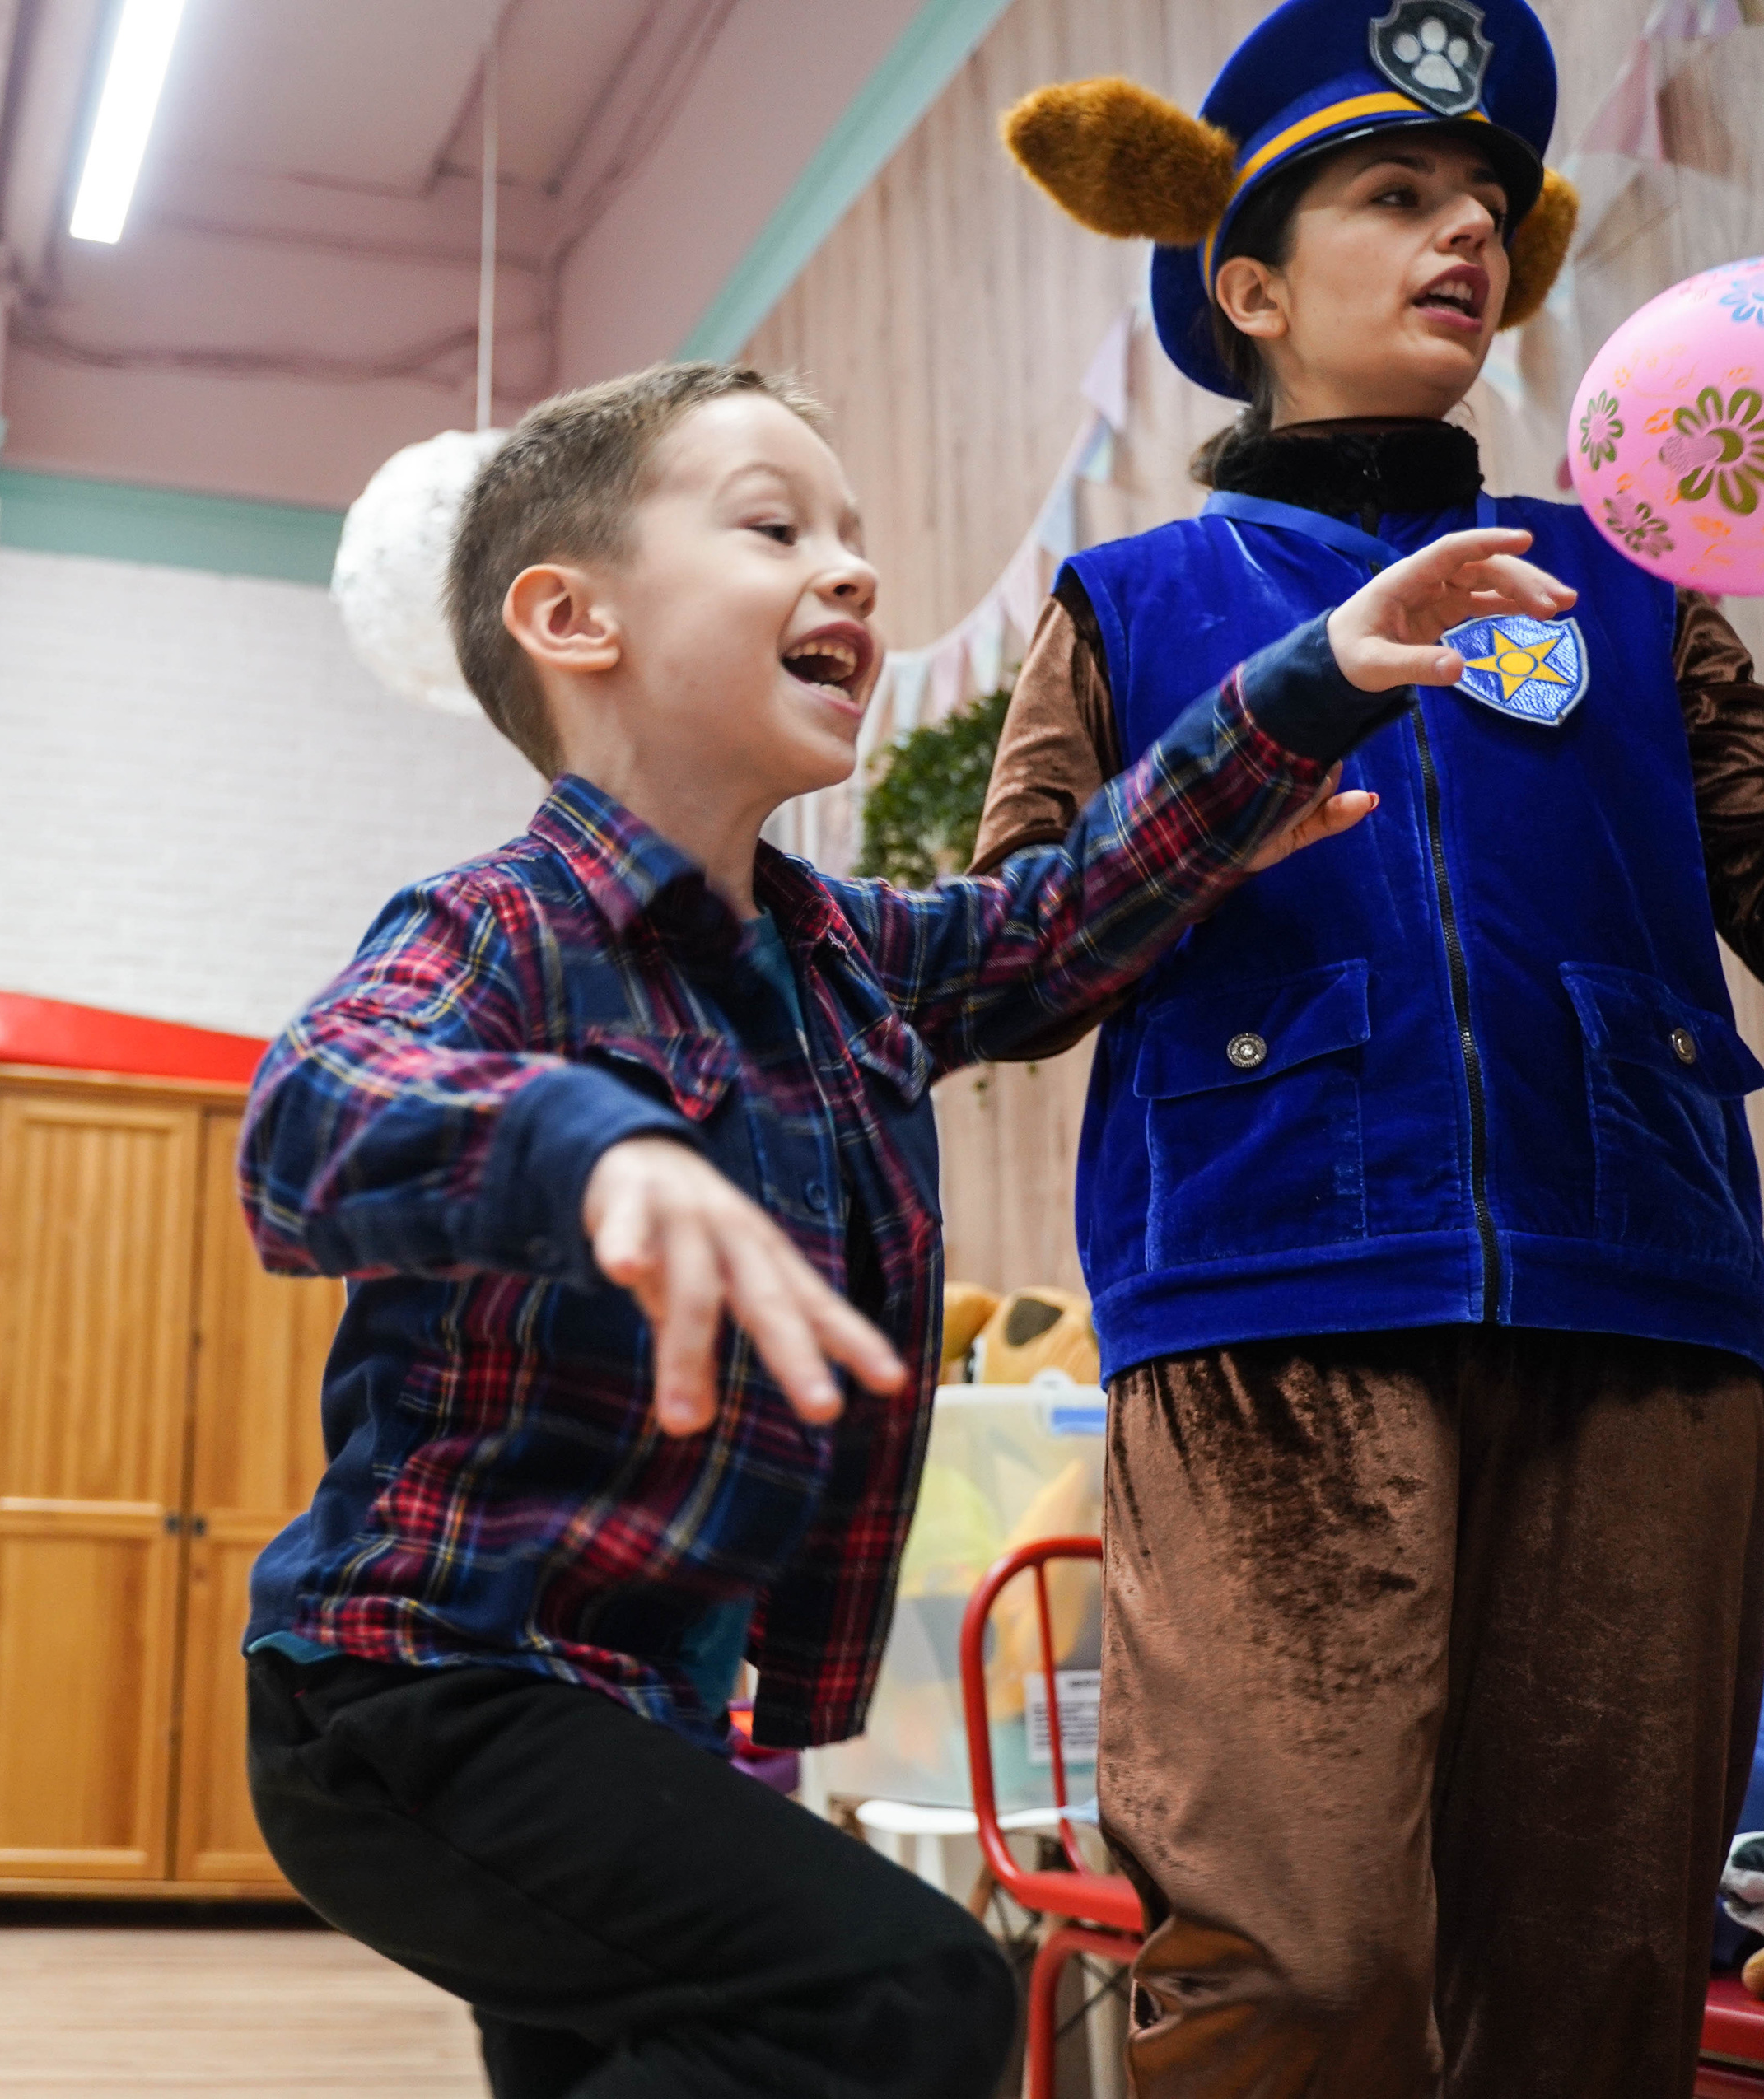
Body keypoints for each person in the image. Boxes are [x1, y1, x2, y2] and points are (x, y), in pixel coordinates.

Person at [233, 359, 1562, 2097]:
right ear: (570, 618)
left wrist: (1308, 683)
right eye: (774, 526)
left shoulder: (843, 961)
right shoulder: (497, 932)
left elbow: (1067, 912)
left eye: (853, 536)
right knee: (899, 1998)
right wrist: (585, 1150)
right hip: (417, 1682)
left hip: (638, 1709)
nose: (850, 571)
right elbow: (307, 1115)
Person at [978, 5, 1764, 2097]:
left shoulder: (1633, 581)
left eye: (1486, 205)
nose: (1463, 236)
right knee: (1296, 1967)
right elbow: (1011, 963)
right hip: (1265, 1328)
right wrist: (1263, 744)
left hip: (1643, 1322)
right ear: (1245, 283)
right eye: (1393, 196)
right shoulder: (1130, 601)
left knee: (1591, 1995)